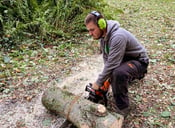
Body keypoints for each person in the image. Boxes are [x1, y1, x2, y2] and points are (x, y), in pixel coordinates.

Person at [84, 11, 149, 116]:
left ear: (102, 25)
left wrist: (98, 83)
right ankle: (124, 78)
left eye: (92, 30)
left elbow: (112, 64)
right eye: (89, 31)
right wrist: (105, 80)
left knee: (118, 73)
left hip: (139, 62)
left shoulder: (118, 36)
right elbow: (107, 59)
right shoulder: (103, 38)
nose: (90, 33)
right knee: (112, 74)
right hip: (125, 59)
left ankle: (123, 108)